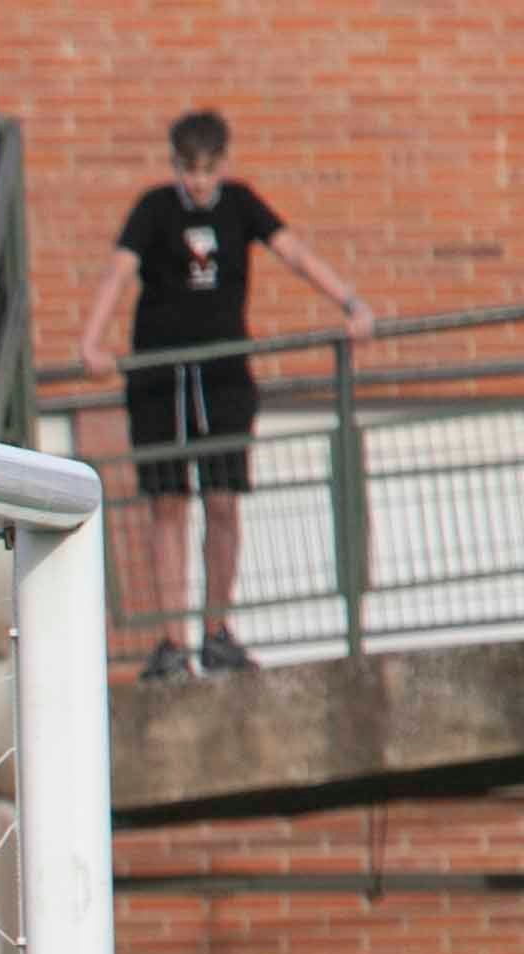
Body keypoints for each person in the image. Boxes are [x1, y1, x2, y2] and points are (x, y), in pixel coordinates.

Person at [75, 109, 373, 683]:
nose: (199, 183)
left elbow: (295, 253)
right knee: (167, 504)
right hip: (162, 379)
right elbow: (118, 273)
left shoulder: (241, 203)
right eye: (189, 171)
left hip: (224, 376)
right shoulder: (153, 208)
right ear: (174, 166)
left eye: (208, 171)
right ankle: (170, 641)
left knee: (223, 500)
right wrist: (91, 341)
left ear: (224, 166)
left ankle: (217, 632)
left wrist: (351, 303)